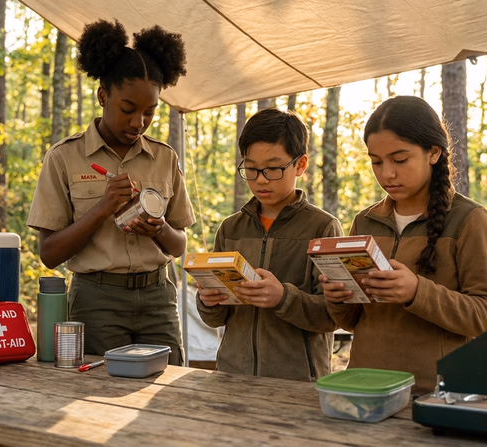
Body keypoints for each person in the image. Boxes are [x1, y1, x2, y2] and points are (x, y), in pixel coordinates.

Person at [27, 19, 195, 366]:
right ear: (103, 95)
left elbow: (179, 246)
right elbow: (49, 253)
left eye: (150, 112)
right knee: (99, 399)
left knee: (170, 392)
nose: (138, 123)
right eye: (128, 109)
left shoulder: (165, 157)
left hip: (158, 299)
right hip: (96, 299)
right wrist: (102, 208)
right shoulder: (64, 157)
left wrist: (158, 227)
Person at [320, 95, 487, 394]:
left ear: (433, 153)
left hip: (436, 395)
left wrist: (416, 291)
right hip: (365, 389)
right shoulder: (365, 221)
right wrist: (338, 297)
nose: (387, 173)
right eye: (376, 162)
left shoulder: (470, 220)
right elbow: (353, 321)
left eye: (400, 159)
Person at [196, 108, 343, 381]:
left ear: (300, 165)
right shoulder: (231, 229)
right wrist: (208, 302)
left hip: (296, 382)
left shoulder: (322, 228)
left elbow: (334, 315)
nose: (261, 179)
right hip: (232, 376)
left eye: (273, 168)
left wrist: (283, 298)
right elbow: (216, 318)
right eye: (251, 169)